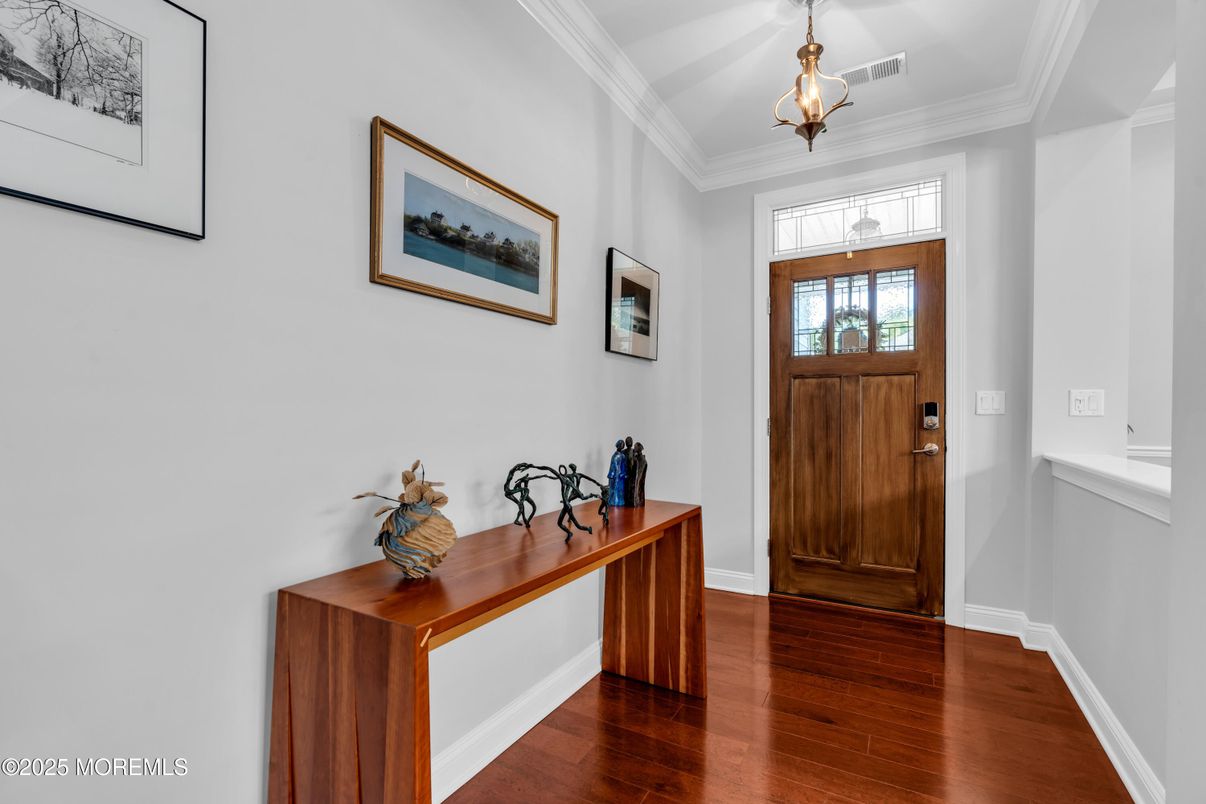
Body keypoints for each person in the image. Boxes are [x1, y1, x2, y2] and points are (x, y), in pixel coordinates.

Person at [607, 440, 628, 507]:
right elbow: (612, 466)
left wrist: (623, 473)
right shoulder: (615, 456)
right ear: (618, 445)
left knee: (620, 489)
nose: (622, 446)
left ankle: (618, 501)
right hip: (615, 476)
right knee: (613, 489)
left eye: (623, 445)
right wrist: (612, 475)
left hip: (620, 476)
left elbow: (624, 466)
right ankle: (613, 501)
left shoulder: (623, 456)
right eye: (621, 444)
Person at [631, 443, 648, 507]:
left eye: (635, 447)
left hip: (637, 481)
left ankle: (637, 501)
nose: (633, 448)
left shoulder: (641, 460)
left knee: (637, 485)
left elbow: (637, 477)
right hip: (637, 481)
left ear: (638, 449)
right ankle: (637, 500)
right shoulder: (638, 458)